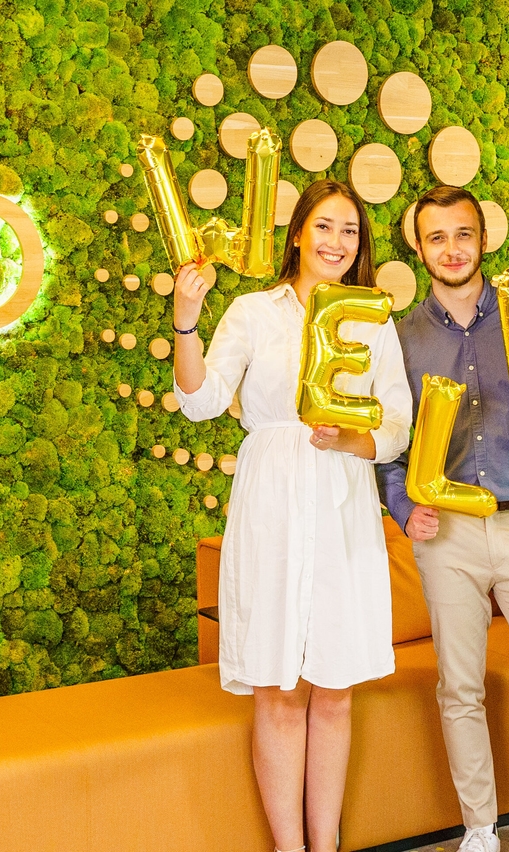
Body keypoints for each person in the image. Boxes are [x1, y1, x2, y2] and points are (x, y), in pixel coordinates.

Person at [173, 180, 413, 852]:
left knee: (333, 689)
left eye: (351, 232)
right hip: (273, 499)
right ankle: (290, 848)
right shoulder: (253, 312)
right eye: (326, 227)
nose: (337, 242)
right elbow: (200, 400)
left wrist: (350, 440)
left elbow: (396, 425)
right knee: (280, 688)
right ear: (299, 233)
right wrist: (185, 321)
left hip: (342, 498)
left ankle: (326, 845)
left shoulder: (372, 321)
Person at [376, 186, 509, 852]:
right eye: (436, 237)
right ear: (419, 247)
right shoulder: (399, 340)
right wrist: (406, 508)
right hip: (449, 538)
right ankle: (480, 831)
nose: (452, 248)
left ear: (483, 239)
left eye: (462, 234)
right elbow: (388, 448)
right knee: (459, 689)